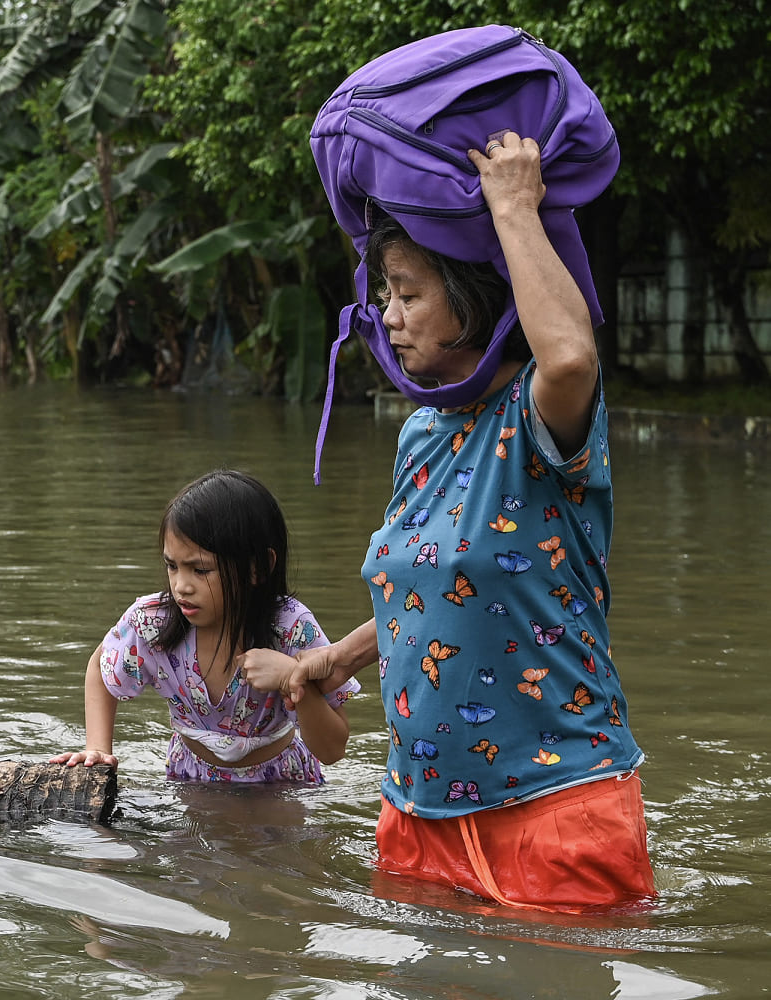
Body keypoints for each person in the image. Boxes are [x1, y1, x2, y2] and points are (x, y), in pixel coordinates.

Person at [247, 131, 654, 911]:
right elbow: (438, 589)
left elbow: (569, 357)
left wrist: (513, 206)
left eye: (408, 293)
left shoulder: (539, 420)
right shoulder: (423, 432)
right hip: (416, 817)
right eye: (385, 295)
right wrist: (338, 658)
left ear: (471, 298)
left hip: (553, 809)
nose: (387, 317)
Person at [51, 469, 358, 784]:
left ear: (258, 568)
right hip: (190, 779)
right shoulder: (154, 622)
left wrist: (294, 682)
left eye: (200, 569)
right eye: (172, 566)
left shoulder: (291, 628)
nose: (181, 586)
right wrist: (98, 748)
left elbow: (333, 750)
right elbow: (102, 666)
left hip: (281, 783)